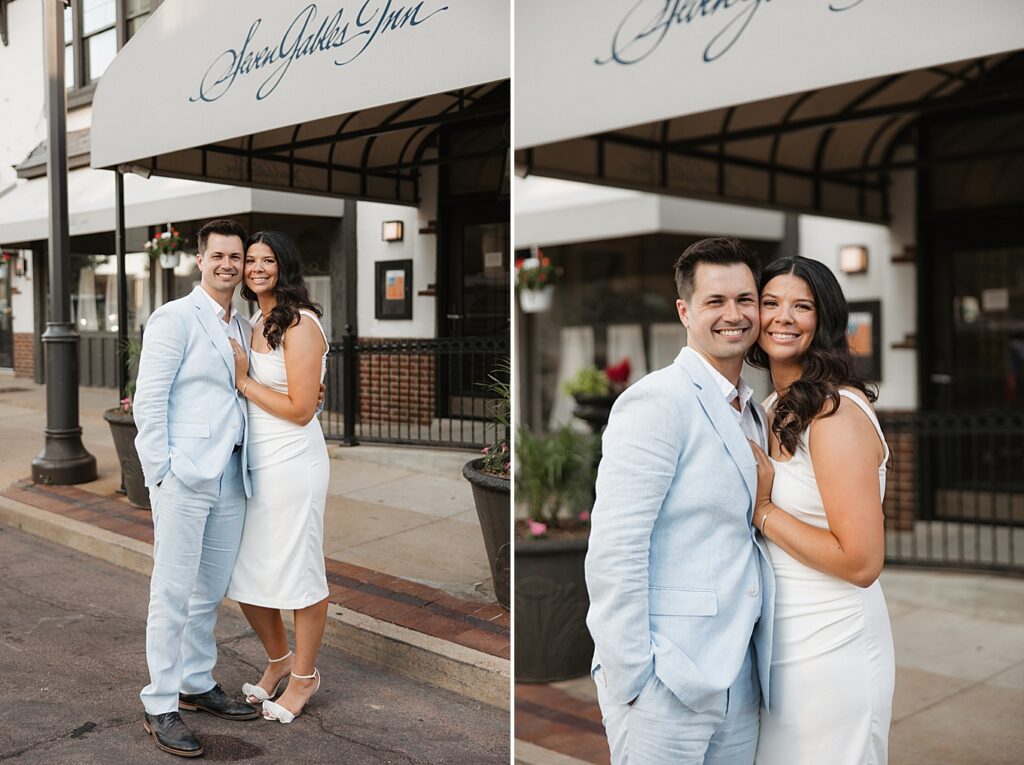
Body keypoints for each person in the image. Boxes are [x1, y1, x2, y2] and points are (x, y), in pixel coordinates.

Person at [585, 236, 775, 764]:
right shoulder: (656, 400)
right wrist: (634, 679)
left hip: (739, 673)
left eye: (745, 300)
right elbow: (615, 549)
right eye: (715, 301)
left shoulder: (753, 412)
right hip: (666, 679)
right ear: (684, 311)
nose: (733, 315)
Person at [746, 256, 895, 764]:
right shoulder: (769, 408)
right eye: (771, 303)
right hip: (778, 639)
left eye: (801, 306)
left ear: (824, 320)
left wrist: (764, 510)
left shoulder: (833, 414)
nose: (783, 317)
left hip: (834, 641)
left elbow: (860, 562)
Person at [134, 219, 260, 758]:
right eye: (219, 256)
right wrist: (161, 472)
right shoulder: (174, 318)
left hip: (232, 473)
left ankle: (196, 682)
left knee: (209, 590)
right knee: (172, 590)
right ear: (200, 259)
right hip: (185, 474)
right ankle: (160, 700)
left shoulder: (245, 322)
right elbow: (148, 400)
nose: (229, 265)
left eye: (236, 257)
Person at [224, 230, 331, 724]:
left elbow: (303, 409)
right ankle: (278, 659)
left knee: (299, 569)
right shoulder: (251, 322)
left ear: (284, 267)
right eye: (251, 260)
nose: (256, 268)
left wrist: (245, 381)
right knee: (244, 574)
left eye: (267, 260)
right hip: (255, 462)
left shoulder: (300, 324)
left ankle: (305, 676)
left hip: (293, 462)